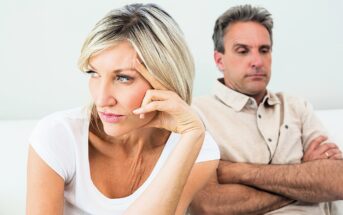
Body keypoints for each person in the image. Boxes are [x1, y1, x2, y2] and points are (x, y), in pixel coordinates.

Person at [26, 3, 219, 215]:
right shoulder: (59, 135)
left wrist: (192, 134)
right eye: (94, 73)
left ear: (166, 79)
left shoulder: (198, 147)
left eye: (123, 78)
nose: (101, 99)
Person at [190, 4, 343, 215]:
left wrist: (238, 172)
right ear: (219, 60)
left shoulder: (297, 106)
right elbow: (210, 206)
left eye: (264, 50)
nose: (257, 61)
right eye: (242, 51)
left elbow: (338, 181)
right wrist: (306, 177)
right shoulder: (196, 115)